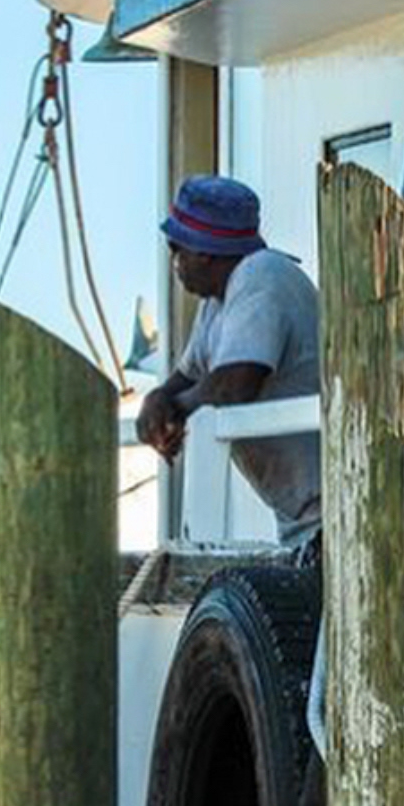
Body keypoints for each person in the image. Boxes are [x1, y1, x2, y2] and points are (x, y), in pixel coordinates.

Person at [137, 175, 321, 547]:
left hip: (333, 512)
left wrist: (175, 412)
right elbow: (189, 377)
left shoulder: (261, 275)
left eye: (177, 250)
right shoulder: (217, 302)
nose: (175, 263)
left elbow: (235, 383)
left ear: (203, 251)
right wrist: (157, 399)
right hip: (301, 518)